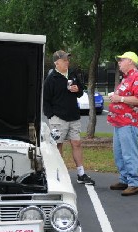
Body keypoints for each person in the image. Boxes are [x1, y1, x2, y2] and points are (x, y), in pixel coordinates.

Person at [43, 50, 95, 185]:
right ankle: (58, 173)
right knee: (58, 144)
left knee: (76, 143)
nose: (67, 62)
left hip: (74, 116)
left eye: (68, 60)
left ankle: (81, 173)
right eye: (65, 60)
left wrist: (77, 89)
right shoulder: (51, 78)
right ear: (57, 62)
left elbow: (80, 92)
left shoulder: (72, 74)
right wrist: (51, 116)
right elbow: (46, 100)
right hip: (58, 118)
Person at [107, 51, 138, 196]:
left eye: (121, 60)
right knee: (119, 153)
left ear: (130, 61)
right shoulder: (126, 78)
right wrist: (117, 97)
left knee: (129, 153)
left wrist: (120, 99)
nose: (119, 62)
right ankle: (124, 179)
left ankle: (133, 183)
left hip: (129, 122)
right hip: (120, 122)